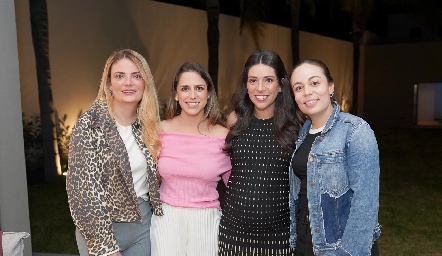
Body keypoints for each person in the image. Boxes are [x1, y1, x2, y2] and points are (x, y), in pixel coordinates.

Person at [66, 49, 163, 256]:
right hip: (103, 229)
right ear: (109, 83)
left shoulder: (147, 125)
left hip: (142, 227)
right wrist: (106, 246)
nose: (128, 82)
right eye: (120, 76)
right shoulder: (90, 125)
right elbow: (84, 194)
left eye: (136, 76)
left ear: (145, 82)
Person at [289, 59, 381, 256]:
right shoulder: (302, 134)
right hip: (305, 241)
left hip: (340, 247)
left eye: (314, 83)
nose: (307, 92)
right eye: (299, 87)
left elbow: (365, 205)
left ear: (330, 86)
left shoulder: (355, 131)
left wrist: (347, 252)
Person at [218, 50, 302, 255]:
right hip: (233, 235)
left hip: (279, 237)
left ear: (281, 84)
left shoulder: (295, 124)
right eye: (253, 80)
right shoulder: (235, 120)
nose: (260, 88)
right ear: (245, 85)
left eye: (268, 80)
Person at [150, 62, 231, 256]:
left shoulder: (225, 137)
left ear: (209, 93)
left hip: (207, 221)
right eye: (185, 88)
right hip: (166, 219)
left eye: (199, 88)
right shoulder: (159, 131)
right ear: (176, 95)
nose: (192, 95)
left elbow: (236, 187)